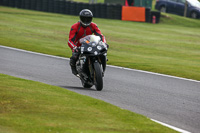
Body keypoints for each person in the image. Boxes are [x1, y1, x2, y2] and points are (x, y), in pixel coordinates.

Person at [68, 9, 107, 76]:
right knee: (74, 56)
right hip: (79, 46)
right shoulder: (75, 26)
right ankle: (73, 67)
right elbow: (70, 40)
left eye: (88, 19)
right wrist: (74, 47)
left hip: (90, 44)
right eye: (84, 18)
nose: (86, 20)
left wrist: (104, 43)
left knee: (103, 53)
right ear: (80, 18)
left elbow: (100, 36)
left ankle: (102, 70)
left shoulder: (93, 25)